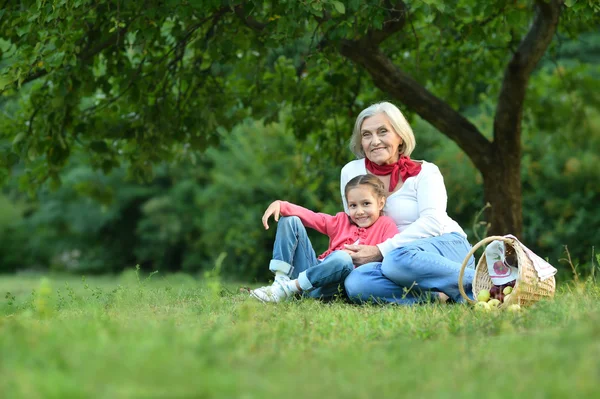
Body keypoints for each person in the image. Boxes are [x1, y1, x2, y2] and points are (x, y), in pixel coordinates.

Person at [340, 101, 476, 305]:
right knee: (356, 283)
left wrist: (381, 250)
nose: (374, 141)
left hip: (443, 245)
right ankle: (437, 296)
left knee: (396, 260)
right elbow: (354, 224)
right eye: (367, 135)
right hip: (390, 260)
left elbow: (433, 222)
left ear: (400, 135)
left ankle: (487, 283)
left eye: (383, 131)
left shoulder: (426, 172)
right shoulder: (351, 172)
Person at [250, 174, 399, 303]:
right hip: (312, 270)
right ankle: (280, 281)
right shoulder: (341, 220)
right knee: (289, 220)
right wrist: (281, 205)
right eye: (353, 205)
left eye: (366, 204)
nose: (359, 211)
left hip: (333, 284)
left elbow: (391, 258)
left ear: (381, 203)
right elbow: (313, 217)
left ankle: (289, 288)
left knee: (342, 258)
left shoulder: (386, 225)